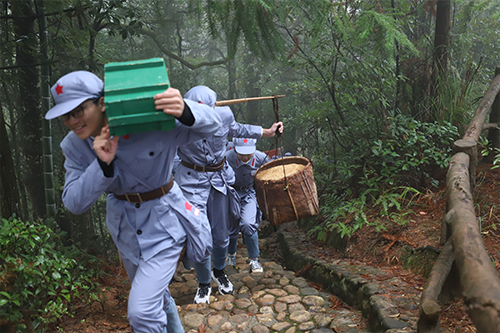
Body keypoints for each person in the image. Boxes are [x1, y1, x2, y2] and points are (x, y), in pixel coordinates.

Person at [45, 71, 221, 333]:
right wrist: (101, 166)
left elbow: (215, 124)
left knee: (141, 313)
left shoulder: (151, 122)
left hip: (163, 223)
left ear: (102, 102)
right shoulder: (74, 146)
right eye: (65, 115)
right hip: (124, 229)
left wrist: (185, 110)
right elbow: (73, 202)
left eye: (79, 110)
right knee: (156, 299)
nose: (71, 121)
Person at [174, 85, 283, 304]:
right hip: (191, 183)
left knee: (221, 234)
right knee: (199, 236)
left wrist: (268, 132)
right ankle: (204, 283)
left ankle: (220, 271)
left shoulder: (223, 115)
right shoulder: (177, 123)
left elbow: (238, 129)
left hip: (219, 180)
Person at [226, 138, 269, 273]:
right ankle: (231, 254)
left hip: (249, 192)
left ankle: (254, 259)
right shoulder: (227, 158)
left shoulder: (261, 158)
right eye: (241, 153)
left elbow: (272, 172)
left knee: (247, 224)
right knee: (231, 226)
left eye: (248, 154)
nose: (245, 157)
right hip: (231, 193)